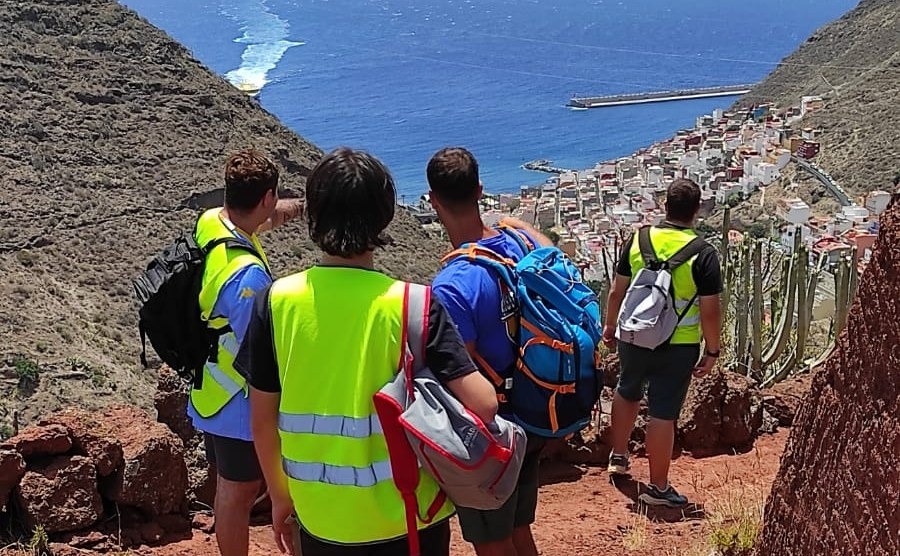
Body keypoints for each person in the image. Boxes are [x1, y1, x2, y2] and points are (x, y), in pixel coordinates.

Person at [239, 147, 498, 556]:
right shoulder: (414, 305)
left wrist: (281, 496)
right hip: (410, 517)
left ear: (314, 215)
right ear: (384, 216)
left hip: (319, 518)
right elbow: (483, 404)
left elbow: (261, 420)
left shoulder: (274, 303)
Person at [426, 147, 553, 556]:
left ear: (433, 201)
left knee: (493, 543)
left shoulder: (452, 285)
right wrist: (517, 223)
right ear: (480, 189)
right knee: (518, 530)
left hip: (495, 431)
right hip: (536, 408)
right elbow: (550, 252)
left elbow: (459, 373)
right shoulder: (516, 244)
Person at [188, 148, 302, 556]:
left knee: (230, 488)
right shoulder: (248, 277)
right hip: (237, 400)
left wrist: (304, 207)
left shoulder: (213, 222)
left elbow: (269, 219)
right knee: (240, 492)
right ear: (267, 196)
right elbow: (261, 349)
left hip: (209, 386)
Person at [602, 178, 723, 508]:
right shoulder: (703, 254)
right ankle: (658, 488)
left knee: (627, 389)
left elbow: (616, 290)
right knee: (663, 412)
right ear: (697, 210)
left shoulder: (639, 240)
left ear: (664, 206)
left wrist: (610, 326)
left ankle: (618, 455)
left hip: (634, 334)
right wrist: (712, 350)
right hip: (679, 344)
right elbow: (710, 311)